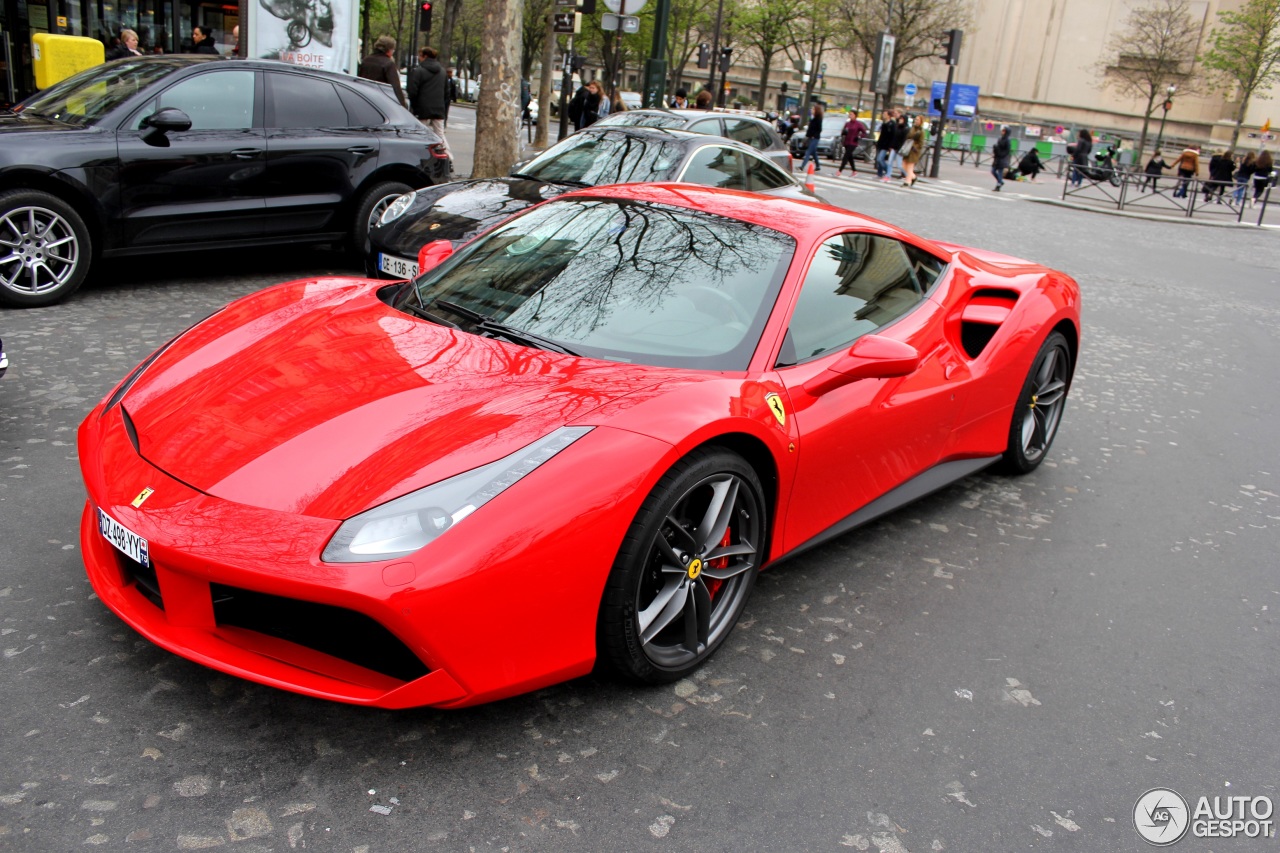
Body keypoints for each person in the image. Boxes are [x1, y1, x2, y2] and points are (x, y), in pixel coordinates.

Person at [407, 47, 451, 158]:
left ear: (425, 56)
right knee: (439, 134)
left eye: (420, 56)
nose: (419, 58)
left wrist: (414, 105)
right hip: (438, 108)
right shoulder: (442, 72)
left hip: (422, 107)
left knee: (420, 132)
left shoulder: (419, 71)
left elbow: (412, 90)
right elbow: (447, 92)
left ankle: (419, 155)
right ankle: (447, 156)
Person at [359, 36, 406, 108]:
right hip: (382, 102)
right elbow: (395, 87)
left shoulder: (366, 60)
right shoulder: (388, 63)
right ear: (389, 50)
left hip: (365, 98)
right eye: (393, 49)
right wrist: (403, 106)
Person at [836, 112, 867, 177]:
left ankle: (839, 171)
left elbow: (864, 132)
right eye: (849, 114)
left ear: (855, 115)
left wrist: (859, 137)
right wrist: (843, 132)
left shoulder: (858, 124)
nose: (850, 115)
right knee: (850, 157)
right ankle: (854, 171)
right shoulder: (847, 123)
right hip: (847, 142)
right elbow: (843, 131)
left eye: (851, 114)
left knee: (846, 156)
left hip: (853, 142)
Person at [901, 114, 926, 186]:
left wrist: (915, 147)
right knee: (904, 166)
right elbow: (908, 137)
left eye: (918, 120)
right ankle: (913, 177)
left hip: (914, 151)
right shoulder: (912, 128)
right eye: (915, 119)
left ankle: (907, 182)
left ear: (921, 121)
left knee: (909, 167)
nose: (916, 121)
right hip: (908, 149)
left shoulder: (921, 131)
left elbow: (921, 143)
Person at [800, 103, 824, 173]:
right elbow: (809, 129)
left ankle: (802, 166)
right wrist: (807, 135)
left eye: (813, 109)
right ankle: (818, 166)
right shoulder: (812, 118)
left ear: (816, 110)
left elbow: (819, 129)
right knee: (813, 153)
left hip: (815, 138)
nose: (811, 110)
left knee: (808, 152)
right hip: (811, 137)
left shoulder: (818, 119)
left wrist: (813, 135)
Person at [873, 110, 895, 179]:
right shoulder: (884, 123)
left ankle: (888, 171)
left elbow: (892, 135)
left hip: (886, 145)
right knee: (878, 159)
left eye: (885, 114)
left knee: (880, 159)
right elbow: (881, 134)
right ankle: (879, 173)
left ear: (888, 115)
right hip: (880, 143)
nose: (883, 115)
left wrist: (890, 145)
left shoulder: (892, 124)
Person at [886, 111, 908, 181]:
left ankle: (909, 176)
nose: (900, 120)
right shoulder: (897, 127)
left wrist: (899, 149)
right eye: (900, 119)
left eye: (902, 119)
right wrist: (891, 146)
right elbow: (894, 138)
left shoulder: (906, 129)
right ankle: (888, 175)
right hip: (894, 148)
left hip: (899, 149)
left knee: (899, 165)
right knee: (889, 162)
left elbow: (904, 141)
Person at [991, 126, 1011, 191]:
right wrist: (995, 149)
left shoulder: (1007, 140)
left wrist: (1002, 155)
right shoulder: (1000, 138)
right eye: (1002, 131)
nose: (1002, 132)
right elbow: (998, 146)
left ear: (1006, 132)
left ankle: (998, 185)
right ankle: (1000, 182)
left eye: (1004, 131)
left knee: (1000, 172)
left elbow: (1007, 150)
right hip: (997, 157)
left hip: (1002, 158)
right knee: (993, 171)